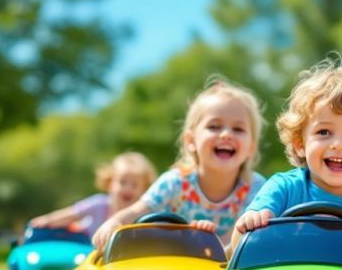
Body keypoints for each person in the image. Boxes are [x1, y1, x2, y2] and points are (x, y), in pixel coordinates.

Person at [231, 59, 342, 268]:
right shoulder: (283, 189)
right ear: (300, 144)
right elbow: (239, 249)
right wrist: (250, 224)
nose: (338, 144)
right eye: (324, 132)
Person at [92, 79, 266, 249]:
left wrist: (210, 244)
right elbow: (136, 211)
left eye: (238, 129)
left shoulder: (256, 188)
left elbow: (237, 242)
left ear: (251, 147)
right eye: (214, 126)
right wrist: (114, 222)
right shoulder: (174, 182)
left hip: (228, 269)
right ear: (191, 140)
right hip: (173, 266)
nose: (226, 134)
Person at [29, 152, 156, 237]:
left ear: (144, 190)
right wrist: (47, 220)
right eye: (122, 182)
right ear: (110, 183)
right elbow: (71, 214)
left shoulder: (143, 214)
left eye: (134, 185)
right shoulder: (99, 204)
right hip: (87, 252)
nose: (128, 188)